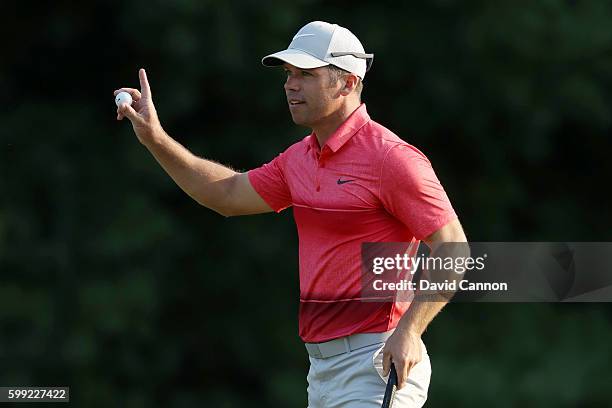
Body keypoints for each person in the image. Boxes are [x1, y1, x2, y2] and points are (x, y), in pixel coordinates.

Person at [115, 20, 466, 408]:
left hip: (378, 362)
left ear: (347, 83)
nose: (290, 85)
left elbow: (454, 248)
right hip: (321, 372)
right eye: (288, 74)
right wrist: (155, 138)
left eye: (306, 75)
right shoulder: (299, 158)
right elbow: (226, 195)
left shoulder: (391, 159)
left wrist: (411, 331)